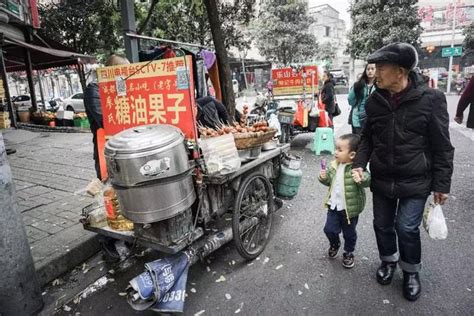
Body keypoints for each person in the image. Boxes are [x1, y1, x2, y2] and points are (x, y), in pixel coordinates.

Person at [352, 43, 454, 301]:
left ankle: (410, 271)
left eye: (380, 68)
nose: (375, 73)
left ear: (400, 71)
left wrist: (442, 184)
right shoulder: (375, 101)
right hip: (383, 177)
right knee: (382, 225)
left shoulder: (430, 99)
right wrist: (358, 164)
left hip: (417, 179)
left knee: (406, 228)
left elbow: (442, 146)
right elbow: (367, 139)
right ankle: (388, 261)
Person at [318, 134, 370, 269]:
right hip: (334, 206)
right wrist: (323, 178)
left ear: (352, 155)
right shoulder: (333, 165)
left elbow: (368, 180)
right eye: (336, 149)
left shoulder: (357, 168)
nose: (336, 152)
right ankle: (335, 244)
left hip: (349, 210)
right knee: (329, 229)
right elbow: (329, 181)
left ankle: (348, 252)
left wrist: (362, 177)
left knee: (349, 234)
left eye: (340, 150)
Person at [84, 54, 130, 180]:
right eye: (123, 70)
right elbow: (105, 121)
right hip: (108, 151)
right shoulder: (94, 89)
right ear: (110, 70)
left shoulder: (122, 86)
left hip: (128, 149)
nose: (127, 74)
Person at [348, 64, 376, 134]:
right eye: (368, 69)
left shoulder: (380, 85)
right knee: (358, 141)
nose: (370, 71)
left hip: (374, 118)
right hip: (358, 118)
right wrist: (358, 105)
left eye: (372, 69)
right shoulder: (358, 85)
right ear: (365, 71)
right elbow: (350, 100)